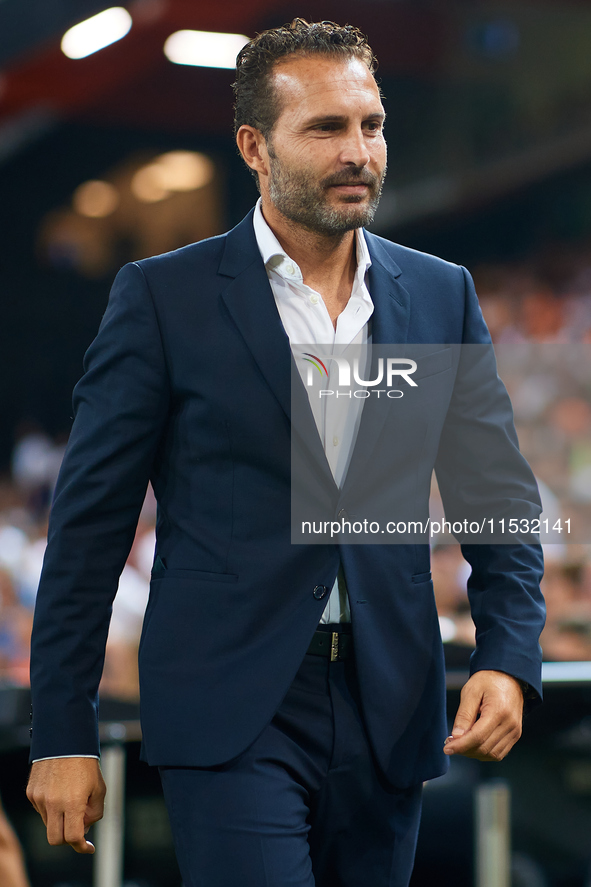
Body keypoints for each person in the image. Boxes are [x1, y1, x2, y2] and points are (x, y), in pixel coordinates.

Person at [26, 19, 545, 887]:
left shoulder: (437, 292)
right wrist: (63, 732)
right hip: (232, 714)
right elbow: (87, 534)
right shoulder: (162, 299)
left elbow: (495, 494)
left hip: (391, 706)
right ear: (254, 147)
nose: (358, 151)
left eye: (370, 125)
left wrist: (506, 653)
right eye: (326, 129)